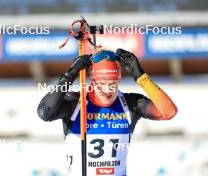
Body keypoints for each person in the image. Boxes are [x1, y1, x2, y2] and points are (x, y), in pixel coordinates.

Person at [37, 49, 177, 176]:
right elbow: (45, 112)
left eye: (112, 84)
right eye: (101, 84)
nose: (107, 90)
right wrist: (70, 75)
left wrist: (141, 77)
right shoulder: (76, 102)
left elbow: (168, 112)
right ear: (92, 81)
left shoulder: (130, 103)